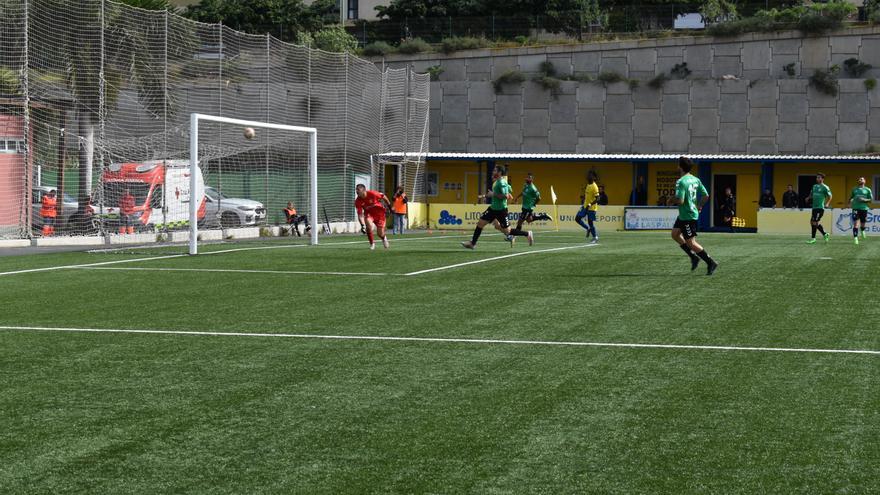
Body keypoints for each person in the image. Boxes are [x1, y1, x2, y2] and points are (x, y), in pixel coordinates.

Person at [669, 157, 718, 275]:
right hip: (685, 215)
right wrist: (699, 206)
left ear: (680, 167)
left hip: (688, 216)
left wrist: (670, 199)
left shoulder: (681, 181)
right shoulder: (695, 180)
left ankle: (710, 262)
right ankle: (693, 257)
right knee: (675, 234)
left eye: (678, 164)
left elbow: (680, 201)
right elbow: (706, 195)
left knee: (691, 243)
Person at [461, 164, 514, 249]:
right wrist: (484, 196)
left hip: (500, 209)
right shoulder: (497, 182)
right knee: (484, 223)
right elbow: (495, 194)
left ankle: (519, 234)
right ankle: (473, 243)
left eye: (495, 171)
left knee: (500, 227)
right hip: (493, 208)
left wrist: (506, 194)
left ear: (499, 173)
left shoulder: (502, 182)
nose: (493, 174)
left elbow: (507, 194)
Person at [355, 184, 392, 250]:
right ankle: (372, 244)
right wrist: (362, 225)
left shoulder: (373, 194)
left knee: (380, 233)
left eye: (358, 190)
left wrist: (390, 207)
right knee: (368, 226)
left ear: (364, 190)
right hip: (369, 214)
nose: (356, 191)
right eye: (356, 190)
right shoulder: (357, 201)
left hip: (380, 214)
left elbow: (384, 197)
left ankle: (384, 238)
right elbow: (360, 215)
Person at [509, 173, 540, 246]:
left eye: (529, 178)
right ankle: (543, 216)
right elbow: (523, 192)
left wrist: (533, 204)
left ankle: (515, 237)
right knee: (529, 220)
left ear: (532, 180)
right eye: (527, 177)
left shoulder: (533, 188)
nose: (526, 178)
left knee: (519, 222)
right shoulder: (525, 185)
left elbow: (539, 198)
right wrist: (517, 197)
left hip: (528, 208)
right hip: (524, 207)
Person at [575, 171, 600, 244]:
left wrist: (590, 204)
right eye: (588, 175)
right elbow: (588, 196)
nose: (588, 176)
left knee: (590, 222)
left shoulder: (594, 187)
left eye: (591, 175)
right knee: (577, 218)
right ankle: (587, 228)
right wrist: (583, 200)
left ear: (594, 178)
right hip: (585, 206)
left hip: (591, 208)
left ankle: (595, 237)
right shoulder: (588, 185)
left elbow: (598, 198)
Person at [807, 173, 832, 244]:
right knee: (813, 222)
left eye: (819, 177)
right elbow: (811, 193)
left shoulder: (825, 187)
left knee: (814, 222)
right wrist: (808, 197)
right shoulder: (814, 186)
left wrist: (827, 203)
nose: (817, 179)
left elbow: (830, 196)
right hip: (814, 207)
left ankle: (813, 238)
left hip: (820, 207)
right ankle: (824, 234)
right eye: (817, 177)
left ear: (822, 179)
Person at [850, 176, 873, 245]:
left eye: (862, 179)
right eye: (859, 179)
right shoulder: (854, 189)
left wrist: (865, 200)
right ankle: (855, 238)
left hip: (864, 209)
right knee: (856, 224)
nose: (860, 180)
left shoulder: (867, 190)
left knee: (863, 223)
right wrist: (850, 202)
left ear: (864, 181)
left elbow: (871, 199)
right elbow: (851, 197)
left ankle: (862, 230)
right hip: (855, 208)